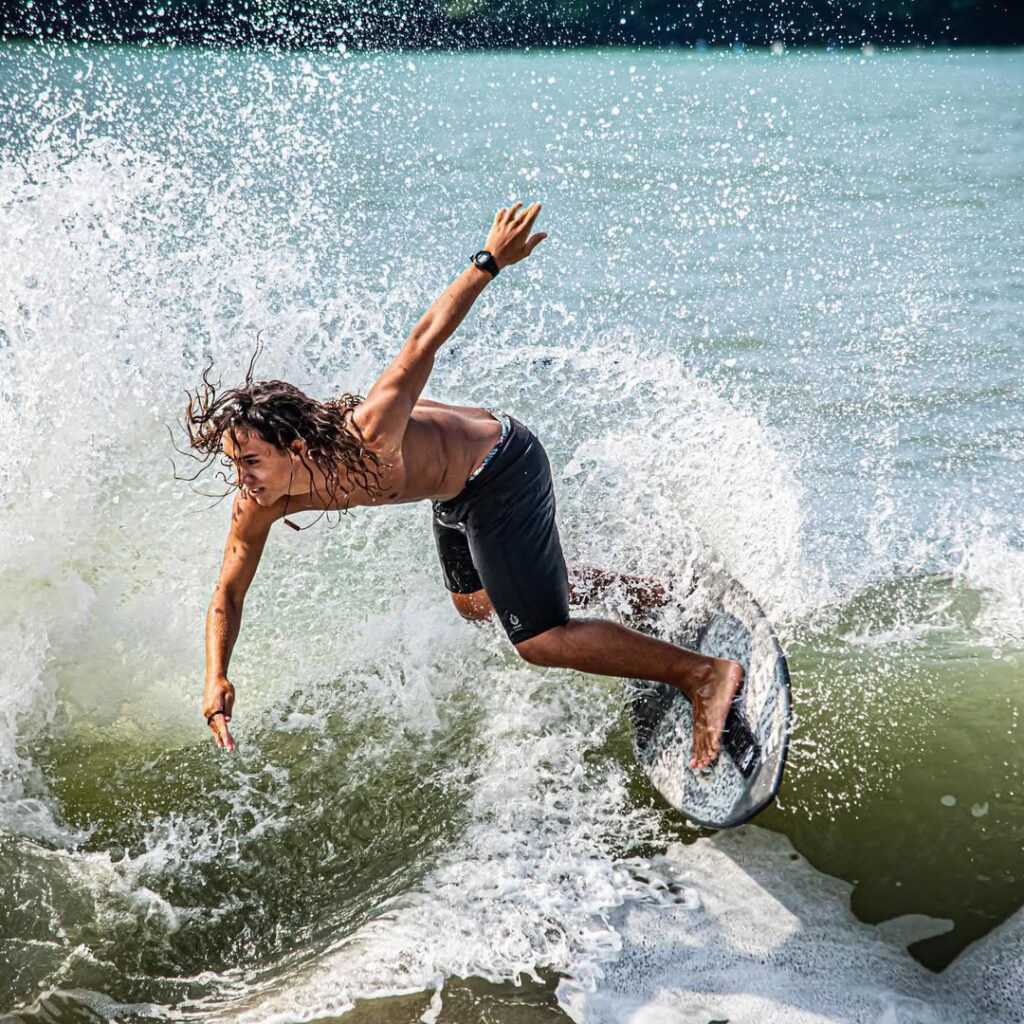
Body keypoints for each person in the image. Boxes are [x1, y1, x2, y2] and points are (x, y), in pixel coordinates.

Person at [185, 201, 743, 769]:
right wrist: (216, 677)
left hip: (501, 465)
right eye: (235, 463)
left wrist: (490, 260)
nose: (242, 478)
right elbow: (228, 592)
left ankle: (703, 675)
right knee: (476, 604)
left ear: (296, 448)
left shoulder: (367, 432)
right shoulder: (258, 501)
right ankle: (653, 593)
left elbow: (422, 340)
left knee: (540, 641)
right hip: (452, 493)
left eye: (250, 460)